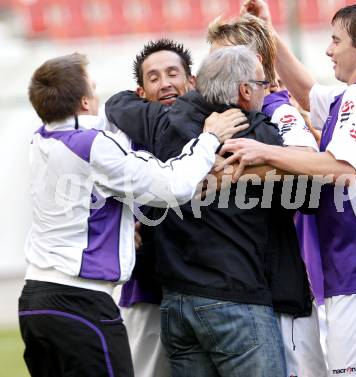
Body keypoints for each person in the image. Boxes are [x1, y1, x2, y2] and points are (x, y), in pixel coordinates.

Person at [18, 52, 247, 377]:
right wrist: (209, 137)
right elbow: (173, 185)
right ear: (85, 102)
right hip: (81, 303)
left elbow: (95, 197)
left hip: (33, 302)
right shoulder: (93, 144)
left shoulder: (40, 139)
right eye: (93, 90)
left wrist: (128, 224)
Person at [221, 1, 356, 376]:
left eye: (335, 39)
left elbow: (339, 169)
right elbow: (308, 94)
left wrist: (267, 152)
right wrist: (268, 34)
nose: (328, 49)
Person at [106, 45, 317, 377]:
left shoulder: (160, 122)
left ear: (196, 82)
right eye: (263, 85)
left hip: (176, 305)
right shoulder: (256, 134)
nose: (267, 91)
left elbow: (116, 102)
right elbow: (310, 197)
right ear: (245, 90)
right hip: (236, 298)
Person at [208, 15, 327, 377]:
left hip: (284, 293)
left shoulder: (279, 111)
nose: (216, 70)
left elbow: (311, 180)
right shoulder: (230, 115)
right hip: (250, 288)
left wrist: (238, 173)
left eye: (224, 59)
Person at [117, 38, 197, 377]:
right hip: (148, 291)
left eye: (172, 73)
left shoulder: (214, 127)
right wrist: (124, 224)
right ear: (140, 92)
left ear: (191, 81)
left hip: (209, 292)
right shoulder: (123, 143)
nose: (165, 83)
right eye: (153, 77)